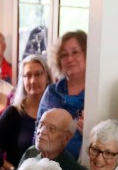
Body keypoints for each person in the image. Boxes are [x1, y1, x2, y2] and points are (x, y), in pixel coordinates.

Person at [0, 54, 53, 170]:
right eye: (28, 75)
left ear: (47, 77)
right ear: (22, 80)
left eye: (38, 74)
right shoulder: (13, 114)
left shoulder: (56, 113)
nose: (33, 80)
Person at [37, 30, 87, 159]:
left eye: (75, 52)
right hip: (47, 164)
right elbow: (37, 132)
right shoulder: (52, 92)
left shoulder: (94, 96)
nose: (70, 59)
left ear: (87, 53)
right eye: (64, 55)